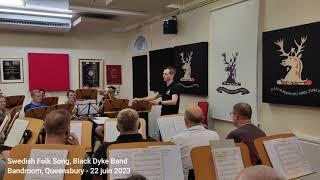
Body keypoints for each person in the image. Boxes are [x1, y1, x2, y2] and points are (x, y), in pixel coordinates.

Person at [93, 108, 156, 180]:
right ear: (139, 125)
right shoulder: (153, 144)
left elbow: (96, 177)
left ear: (117, 127)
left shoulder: (104, 149)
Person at [169, 105, 219, 180]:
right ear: (203, 119)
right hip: (210, 176)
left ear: (185, 121)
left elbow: (170, 164)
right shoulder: (215, 135)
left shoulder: (176, 139)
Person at [44, 109, 91, 180]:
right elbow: (89, 172)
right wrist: (79, 149)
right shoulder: (76, 160)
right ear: (67, 130)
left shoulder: (29, 153)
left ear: (45, 128)